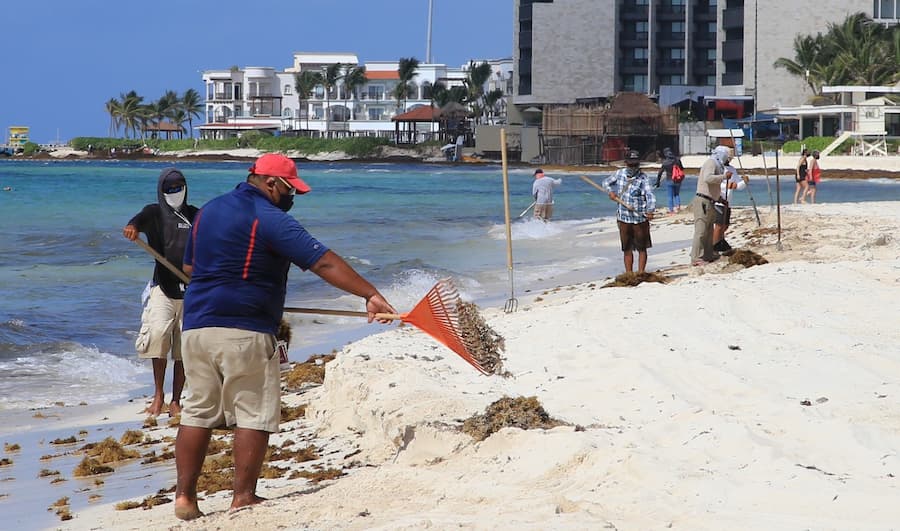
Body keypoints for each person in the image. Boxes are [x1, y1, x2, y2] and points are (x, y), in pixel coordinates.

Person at [174, 153, 396, 520]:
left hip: (196, 328)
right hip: (245, 330)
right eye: (291, 189)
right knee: (253, 413)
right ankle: (243, 496)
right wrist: (369, 294)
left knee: (197, 411)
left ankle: (185, 498)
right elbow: (322, 261)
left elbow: (189, 266)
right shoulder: (270, 218)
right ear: (271, 183)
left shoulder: (208, 212)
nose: (294, 197)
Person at [123, 168, 198, 417]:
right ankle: (158, 396)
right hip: (163, 288)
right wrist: (132, 227)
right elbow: (138, 220)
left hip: (192, 290)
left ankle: (176, 400)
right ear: (162, 191)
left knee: (184, 347)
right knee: (157, 338)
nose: (175, 192)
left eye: (180, 187)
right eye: (170, 188)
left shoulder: (196, 215)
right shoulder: (154, 213)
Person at [602, 150, 656, 273]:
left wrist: (650, 210)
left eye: (635, 165)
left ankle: (641, 273)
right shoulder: (619, 174)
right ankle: (629, 274)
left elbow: (650, 195)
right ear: (626, 163)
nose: (633, 167)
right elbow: (605, 182)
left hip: (639, 219)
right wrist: (610, 192)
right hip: (623, 218)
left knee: (642, 248)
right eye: (631, 165)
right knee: (627, 248)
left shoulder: (643, 178)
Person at [690, 145, 733, 266]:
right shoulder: (711, 163)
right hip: (703, 201)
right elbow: (708, 178)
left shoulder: (717, 165)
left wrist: (720, 199)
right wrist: (724, 177)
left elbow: (712, 187)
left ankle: (708, 254)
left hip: (711, 201)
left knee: (709, 230)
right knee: (701, 230)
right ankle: (696, 257)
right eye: (726, 155)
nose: (727, 159)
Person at [712, 163, 746, 254]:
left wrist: (744, 182)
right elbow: (713, 182)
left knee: (725, 225)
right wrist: (727, 186)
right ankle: (714, 248)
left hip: (728, 202)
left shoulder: (732, 169)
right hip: (718, 200)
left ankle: (719, 242)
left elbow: (738, 185)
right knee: (719, 226)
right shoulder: (717, 167)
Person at [655, 147, 686, 214]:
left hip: (669, 180)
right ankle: (678, 207)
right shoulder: (677, 160)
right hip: (678, 180)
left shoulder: (665, 162)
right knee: (677, 194)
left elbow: (660, 173)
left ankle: (671, 211)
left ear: (665, 154)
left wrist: (658, 182)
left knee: (670, 196)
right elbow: (682, 169)